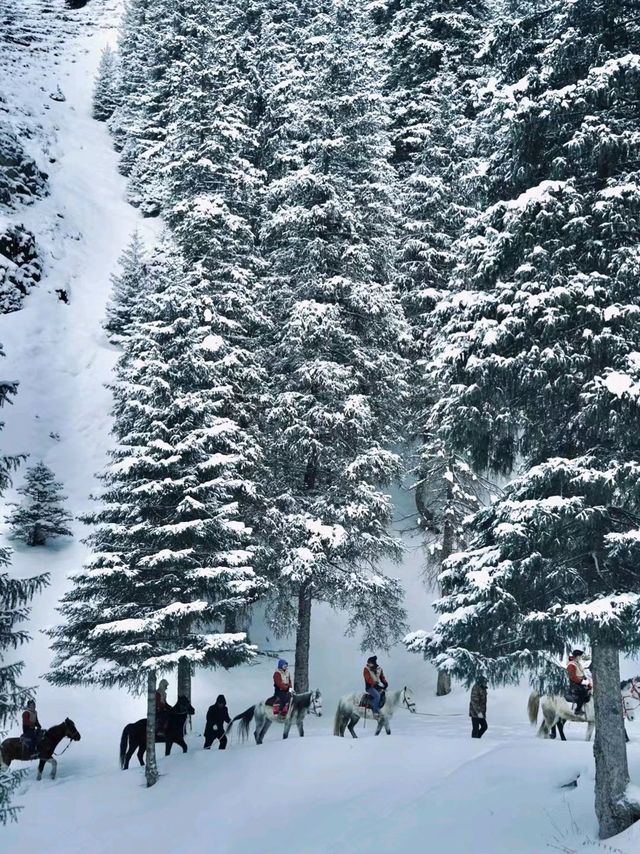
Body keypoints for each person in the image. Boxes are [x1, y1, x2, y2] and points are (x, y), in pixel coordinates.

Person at [567, 649, 591, 716]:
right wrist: (582, 681)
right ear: (576, 656)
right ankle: (578, 710)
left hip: (580, 682)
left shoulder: (577, 663)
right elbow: (572, 677)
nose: (580, 658)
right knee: (582, 692)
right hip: (574, 683)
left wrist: (587, 682)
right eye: (580, 656)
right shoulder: (571, 664)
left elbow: (581, 673)